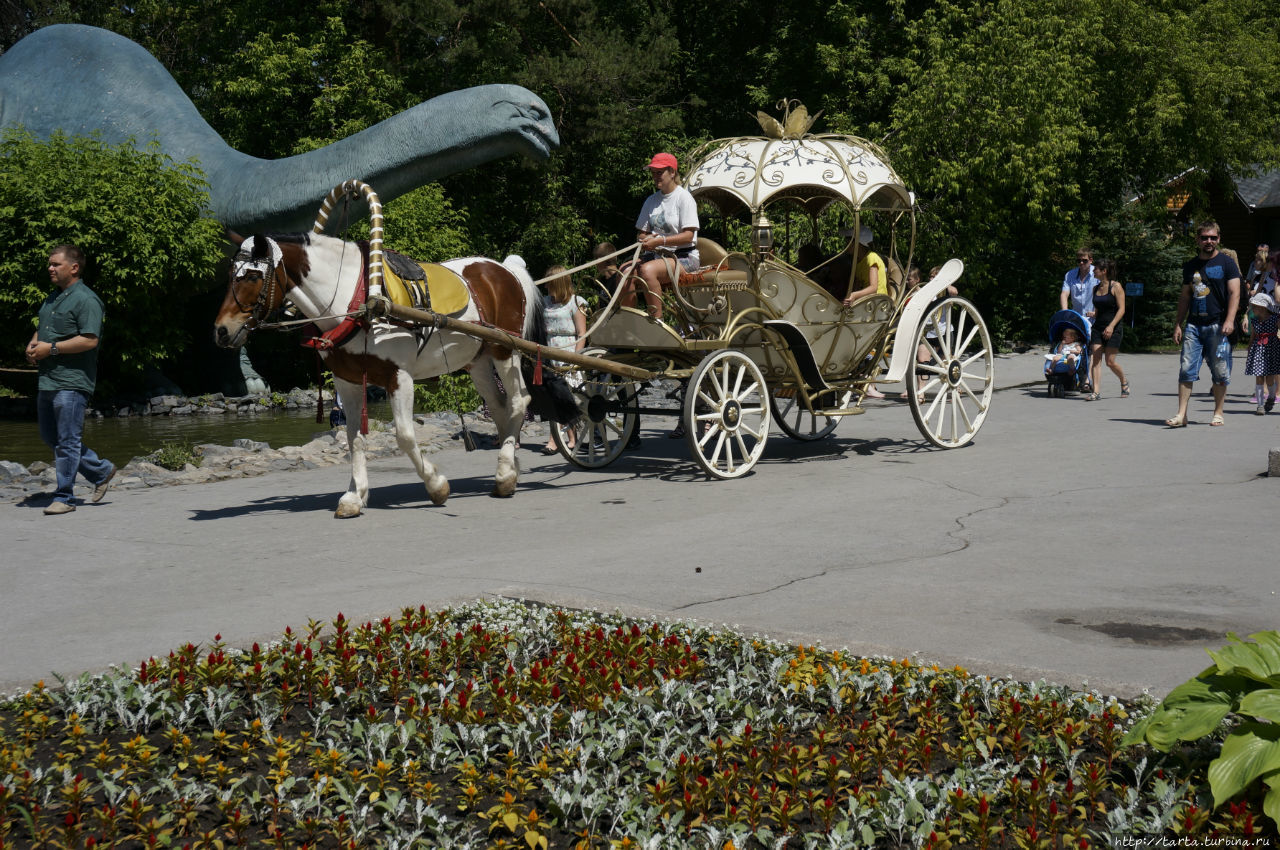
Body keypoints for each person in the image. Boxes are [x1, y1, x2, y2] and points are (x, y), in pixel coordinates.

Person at [24, 244, 116, 514]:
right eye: (50, 264)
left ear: (74, 268)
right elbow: (42, 328)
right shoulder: (53, 298)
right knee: (49, 435)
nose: (50, 268)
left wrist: (50, 349)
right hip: (48, 379)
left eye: (56, 264)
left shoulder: (87, 299)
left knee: (67, 440)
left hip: (72, 381)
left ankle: (64, 497)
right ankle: (101, 471)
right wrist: (33, 346)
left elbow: (90, 339)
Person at [1166, 221, 1241, 427]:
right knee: (1186, 368)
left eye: (1213, 237)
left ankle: (1218, 412)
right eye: (1205, 237)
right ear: (1198, 239)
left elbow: (1235, 293)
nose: (1209, 241)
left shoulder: (1227, 263)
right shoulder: (1190, 265)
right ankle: (1182, 415)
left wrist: (1230, 320)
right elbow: (1185, 296)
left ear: (1218, 238)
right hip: (1193, 325)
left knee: (1219, 370)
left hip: (1218, 324)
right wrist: (1178, 324)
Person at [619, 152, 700, 320]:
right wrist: (644, 239)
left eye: (659, 172)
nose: (655, 177)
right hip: (656, 256)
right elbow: (642, 234)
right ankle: (629, 322)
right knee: (624, 271)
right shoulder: (651, 201)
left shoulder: (684, 198)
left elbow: (688, 236)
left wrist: (660, 241)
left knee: (647, 270)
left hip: (684, 258)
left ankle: (656, 321)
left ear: (672, 172)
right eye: (653, 173)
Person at [539, 264, 587, 453]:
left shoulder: (576, 302)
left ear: (557, 283)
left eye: (549, 283)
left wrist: (575, 359)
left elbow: (582, 333)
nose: (545, 287)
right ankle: (561, 439)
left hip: (568, 350)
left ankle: (560, 439)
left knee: (568, 397)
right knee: (553, 397)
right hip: (549, 350)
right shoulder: (544, 302)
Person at [1085, 258, 1129, 401]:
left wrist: (1111, 326)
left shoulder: (1116, 286)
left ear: (1104, 271)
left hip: (1113, 328)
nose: (1093, 271)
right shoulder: (1095, 288)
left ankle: (1124, 381)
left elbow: (1122, 309)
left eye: (1095, 269)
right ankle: (1096, 392)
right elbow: (1099, 307)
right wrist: (1094, 314)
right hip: (1098, 328)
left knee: (1110, 362)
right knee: (1096, 359)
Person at [1244, 292, 1280, 415]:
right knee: (1259, 377)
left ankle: (1271, 396)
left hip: (1271, 350)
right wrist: (1249, 349)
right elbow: (1253, 336)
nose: (1253, 309)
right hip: (1258, 349)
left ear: (1263, 307)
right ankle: (1260, 405)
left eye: (1255, 306)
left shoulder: (1275, 319)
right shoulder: (1254, 321)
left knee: (1270, 379)